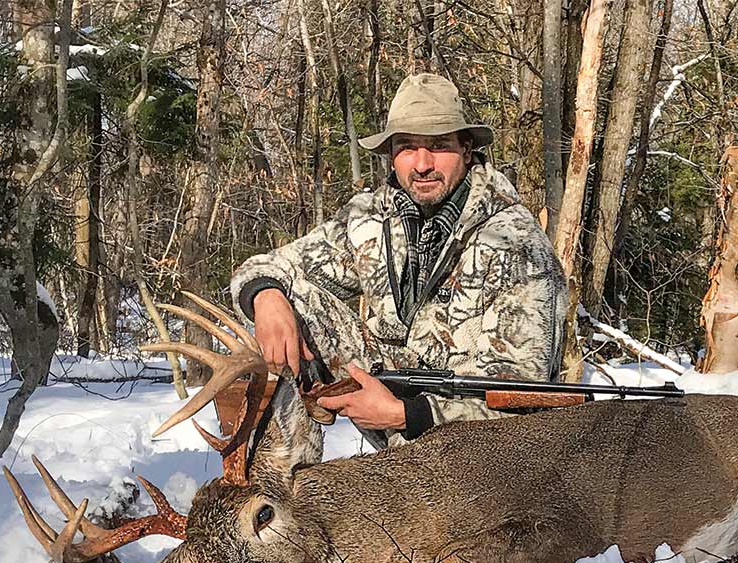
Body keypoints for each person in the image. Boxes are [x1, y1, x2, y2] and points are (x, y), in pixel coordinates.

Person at [230, 73, 566, 450]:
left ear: (467, 149)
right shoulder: (371, 218)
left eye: (438, 145)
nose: (421, 164)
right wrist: (268, 298)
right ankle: (287, 478)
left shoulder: (516, 243)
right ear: (391, 154)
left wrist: (407, 414)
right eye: (407, 147)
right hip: (394, 414)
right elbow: (263, 267)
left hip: (480, 452)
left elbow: (523, 401)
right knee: (287, 298)